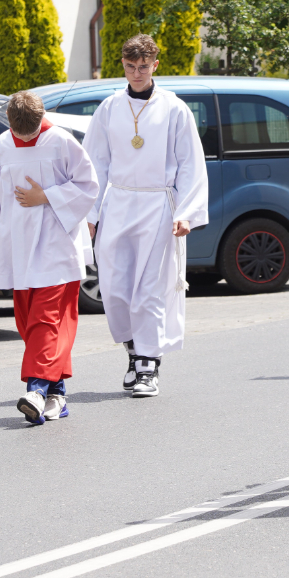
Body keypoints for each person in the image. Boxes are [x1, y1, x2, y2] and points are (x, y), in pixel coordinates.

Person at [83, 34, 208, 397]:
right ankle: (135, 351)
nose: (136, 73)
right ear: (122, 65)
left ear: (155, 65)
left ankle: (149, 367)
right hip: (118, 203)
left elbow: (190, 162)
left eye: (143, 66)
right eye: (130, 66)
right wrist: (90, 212)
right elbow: (95, 163)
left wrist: (186, 211)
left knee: (150, 287)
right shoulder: (108, 108)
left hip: (157, 205)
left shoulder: (173, 108)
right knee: (115, 286)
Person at [0, 91, 99, 423]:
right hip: (17, 245)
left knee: (48, 319)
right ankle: (57, 393)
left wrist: (46, 196)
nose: (26, 139)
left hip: (55, 245)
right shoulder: (1, 146)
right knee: (29, 322)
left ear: (43, 118)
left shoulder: (62, 141)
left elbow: (89, 185)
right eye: (21, 134)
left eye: (31, 134)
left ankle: (35, 389)